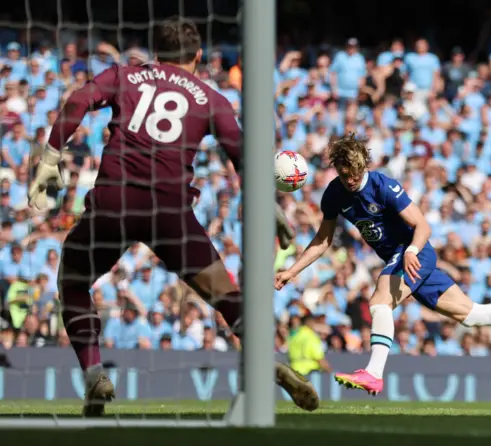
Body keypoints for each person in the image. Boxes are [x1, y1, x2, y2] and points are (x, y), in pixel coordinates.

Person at [28, 16, 317, 416]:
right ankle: (266, 361)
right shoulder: (213, 99)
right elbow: (241, 156)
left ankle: (94, 372)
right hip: (171, 214)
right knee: (226, 296)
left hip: (116, 201)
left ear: (155, 53)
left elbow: (78, 100)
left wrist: (51, 155)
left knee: (73, 282)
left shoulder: (125, 76)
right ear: (198, 56)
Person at [274, 134, 491, 395]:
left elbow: (422, 226)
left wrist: (412, 250)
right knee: (471, 315)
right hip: (401, 258)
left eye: (354, 172)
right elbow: (323, 240)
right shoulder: (334, 194)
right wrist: (291, 270)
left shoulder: (383, 186)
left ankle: (374, 373)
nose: (350, 179)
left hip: (415, 253)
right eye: (344, 173)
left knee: (380, 299)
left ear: (363, 165)